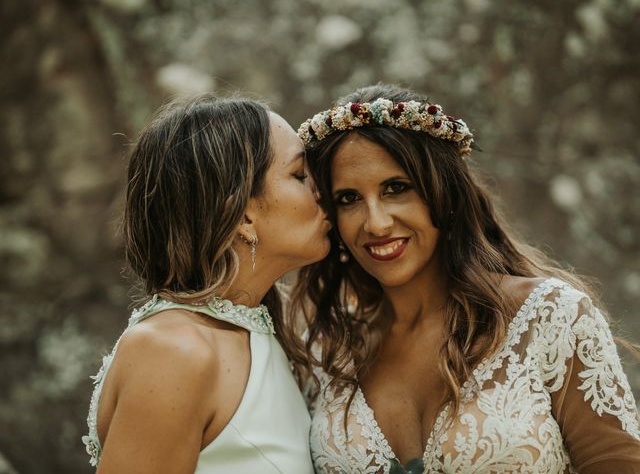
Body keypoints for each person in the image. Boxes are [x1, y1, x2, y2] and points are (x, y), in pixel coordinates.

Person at [289, 84, 640, 473]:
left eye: (396, 189)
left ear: (443, 192)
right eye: (349, 199)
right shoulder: (327, 352)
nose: (376, 223)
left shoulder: (551, 316)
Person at [82, 94, 330, 473]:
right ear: (243, 216)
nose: (320, 191)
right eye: (299, 175)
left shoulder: (255, 335)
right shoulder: (174, 351)